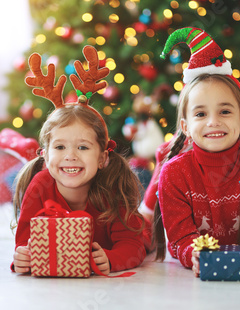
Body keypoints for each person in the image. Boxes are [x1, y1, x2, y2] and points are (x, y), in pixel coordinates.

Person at [154, 28, 240, 277]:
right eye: (201, 114)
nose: (213, 122)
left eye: (225, 111)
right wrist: (193, 255)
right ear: (185, 127)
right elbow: (180, 238)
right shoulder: (174, 173)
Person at [12, 46, 146, 275]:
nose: (70, 155)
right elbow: (24, 242)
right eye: (60, 146)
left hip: (136, 235)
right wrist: (23, 258)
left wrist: (112, 259)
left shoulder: (112, 187)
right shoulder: (40, 185)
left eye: (82, 147)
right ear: (45, 155)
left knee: (147, 231)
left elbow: (133, 245)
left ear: (103, 158)